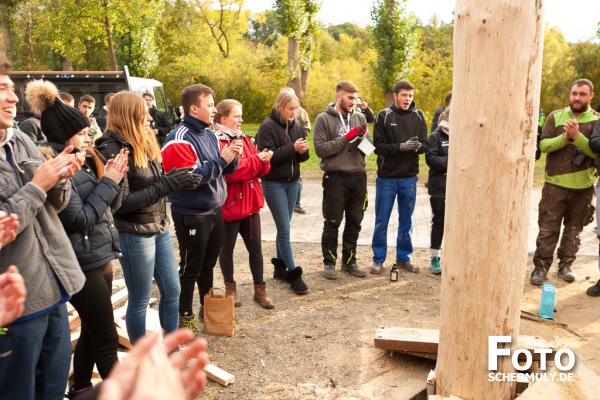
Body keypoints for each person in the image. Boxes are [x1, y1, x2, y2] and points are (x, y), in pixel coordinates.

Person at [26, 79, 129, 397]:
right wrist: (108, 182)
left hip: (100, 256)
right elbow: (80, 219)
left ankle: (82, 386)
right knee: (107, 341)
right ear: (64, 136)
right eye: (83, 133)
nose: (90, 137)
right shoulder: (57, 167)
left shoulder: (81, 162)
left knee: (91, 332)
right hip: (82, 264)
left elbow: (111, 208)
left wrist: (115, 179)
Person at [0, 57, 86, 399]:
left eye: (11, 89)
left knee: (53, 388)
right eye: (1, 90)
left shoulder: (20, 140)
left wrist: (61, 178)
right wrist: (38, 184)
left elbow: (55, 206)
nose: (13, 99)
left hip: (54, 287)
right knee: (19, 392)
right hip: (16, 305)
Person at [97, 92, 200, 344]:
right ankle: (142, 361)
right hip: (134, 232)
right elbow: (120, 204)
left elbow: (155, 182)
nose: (149, 116)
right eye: (143, 111)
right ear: (129, 115)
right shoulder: (111, 149)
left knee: (173, 290)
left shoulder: (145, 140)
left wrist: (179, 177)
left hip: (159, 226)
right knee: (140, 299)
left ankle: (170, 349)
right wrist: (168, 184)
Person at [161, 84, 241, 332]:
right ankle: (184, 313)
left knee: (208, 265)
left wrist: (232, 157)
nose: (214, 110)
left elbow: (220, 169)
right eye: (209, 105)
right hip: (192, 214)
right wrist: (223, 159)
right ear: (194, 108)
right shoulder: (178, 138)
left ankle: (207, 310)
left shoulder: (209, 133)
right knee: (190, 267)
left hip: (214, 209)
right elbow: (192, 177)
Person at [531, 79, 599, 285]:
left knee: (574, 231)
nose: (577, 97)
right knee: (547, 229)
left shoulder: (597, 120)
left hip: (583, 187)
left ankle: (566, 265)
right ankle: (540, 268)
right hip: (555, 185)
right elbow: (543, 145)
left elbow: (595, 150)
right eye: (574, 93)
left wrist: (577, 136)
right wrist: (566, 137)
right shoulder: (555, 116)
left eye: (582, 94)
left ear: (591, 96)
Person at [214, 99, 274, 309]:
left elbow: (255, 170)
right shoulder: (218, 140)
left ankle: (260, 290)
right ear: (223, 118)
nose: (241, 120)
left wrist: (264, 161)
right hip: (229, 207)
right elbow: (233, 172)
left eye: (240, 116)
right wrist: (258, 160)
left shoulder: (244, 139)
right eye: (236, 116)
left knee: (256, 249)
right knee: (226, 249)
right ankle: (231, 289)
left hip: (249, 205)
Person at [313, 81, 371, 280]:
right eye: (350, 97)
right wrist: (346, 138)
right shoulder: (323, 119)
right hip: (335, 178)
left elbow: (369, 150)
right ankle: (329, 263)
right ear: (339, 97)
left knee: (355, 221)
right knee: (332, 222)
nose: (354, 102)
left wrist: (362, 139)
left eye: (356, 98)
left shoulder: (360, 117)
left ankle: (350, 262)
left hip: (358, 177)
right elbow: (321, 150)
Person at [370, 80, 427, 274]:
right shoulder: (384, 116)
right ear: (395, 96)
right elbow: (377, 147)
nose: (407, 99)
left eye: (410, 95)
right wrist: (401, 146)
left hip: (409, 178)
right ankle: (378, 259)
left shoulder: (419, 116)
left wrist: (419, 147)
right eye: (404, 95)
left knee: (407, 220)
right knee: (382, 219)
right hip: (387, 177)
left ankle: (404, 258)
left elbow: (426, 144)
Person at [256, 88, 310, 294]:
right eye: (290, 108)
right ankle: (293, 272)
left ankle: (279, 269)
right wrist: (293, 149)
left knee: (284, 227)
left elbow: (301, 158)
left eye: (296, 108)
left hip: (292, 183)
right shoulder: (267, 127)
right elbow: (268, 156)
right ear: (280, 106)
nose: (293, 112)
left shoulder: (296, 125)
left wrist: (303, 151)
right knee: (285, 229)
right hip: (274, 183)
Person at [425, 106, 451, 275]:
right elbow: (432, 159)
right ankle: (435, 257)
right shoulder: (436, 136)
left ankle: (453, 256)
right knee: (439, 221)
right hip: (439, 186)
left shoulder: (464, 135)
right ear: (446, 117)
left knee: (456, 223)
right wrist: (454, 157)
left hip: (459, 187)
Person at [294, 104, 311, 214]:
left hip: (297, 148)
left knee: (297, 177)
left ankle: (297, 204)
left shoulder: (301, 112)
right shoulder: (277, 111)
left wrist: (298, 134)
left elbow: (307, 128)